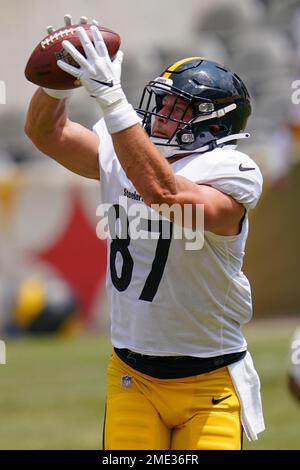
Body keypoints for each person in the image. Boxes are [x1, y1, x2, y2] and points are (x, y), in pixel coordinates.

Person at [25, 15, 265, 450]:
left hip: (209, 379)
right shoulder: (128, 150)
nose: (160, 115)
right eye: (162, 102)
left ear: (214, 123)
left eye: (177, 110)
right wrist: (58, 84)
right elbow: (46, 133)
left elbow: (164, 194)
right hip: (131, 375)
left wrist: (112, 102)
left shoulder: (234, 171)